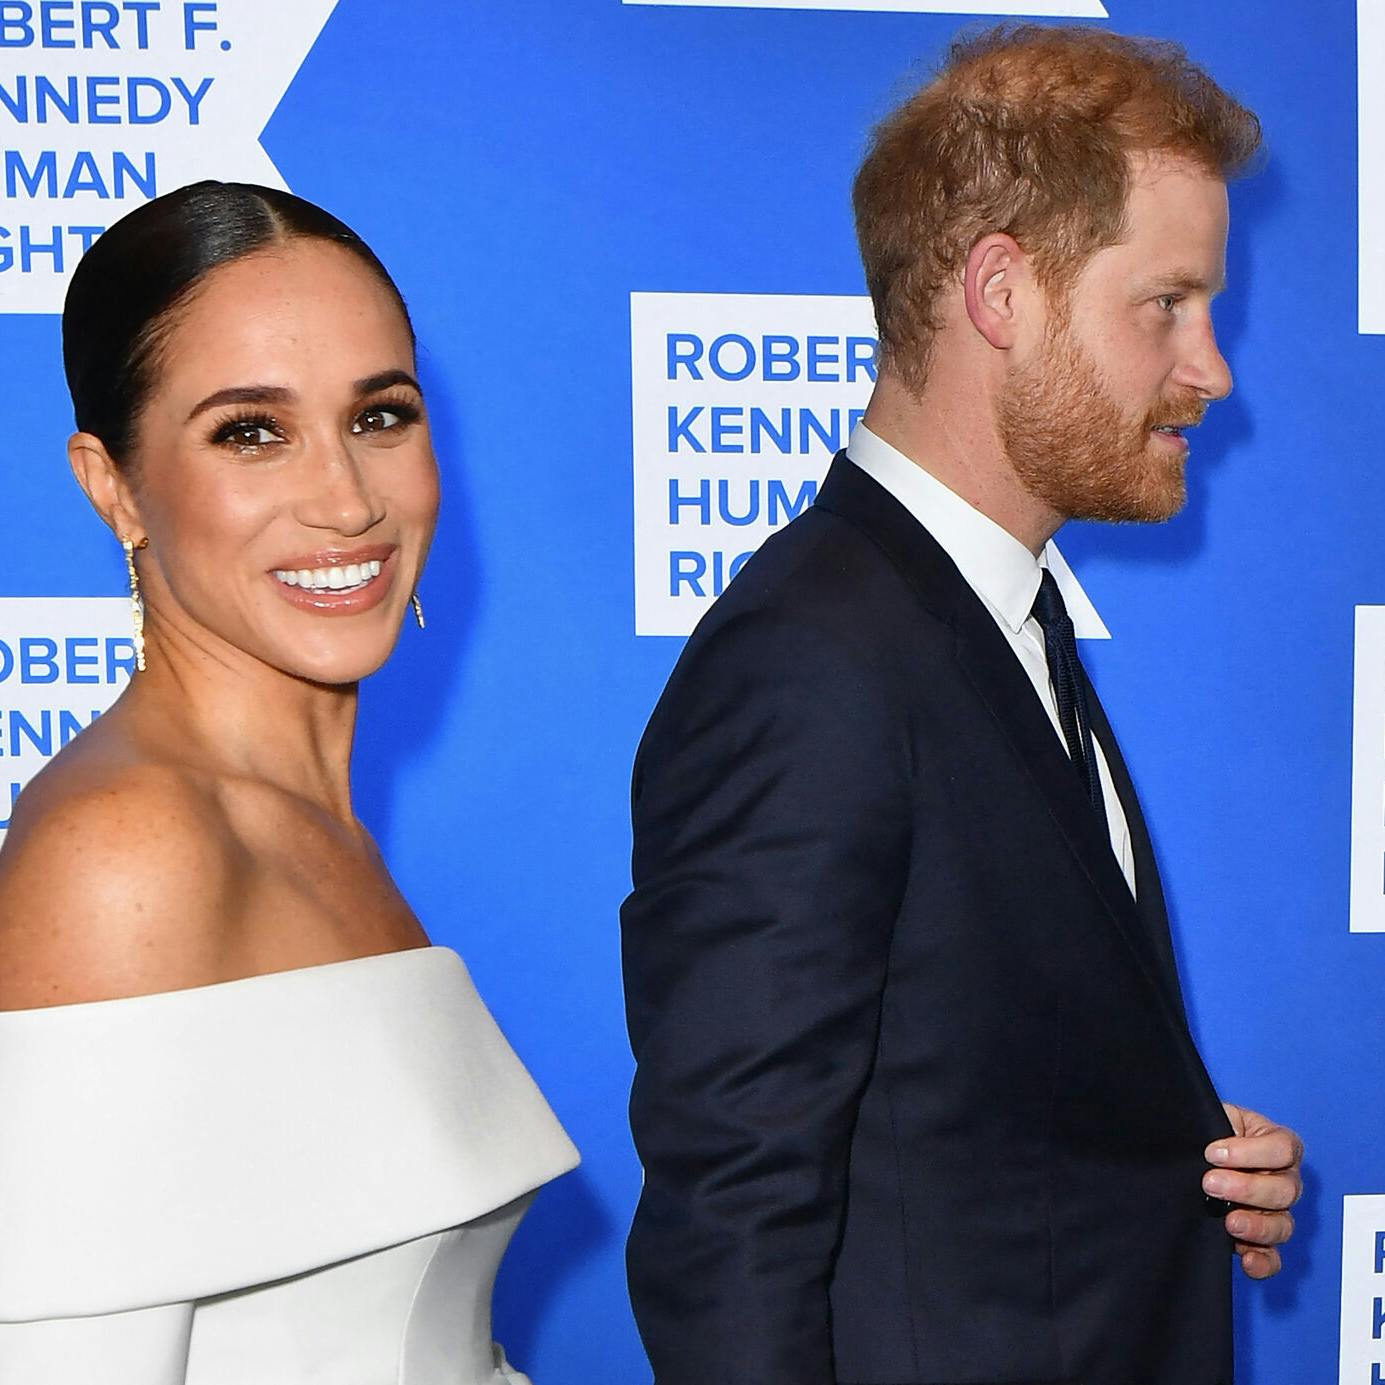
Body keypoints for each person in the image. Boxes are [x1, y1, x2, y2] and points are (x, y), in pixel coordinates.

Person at [621, 25, 1302, 1385]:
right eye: (1164, 304)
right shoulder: (810, 658)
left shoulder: (988, 618)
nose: (1210, 367)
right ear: (1003, 293)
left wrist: (1171, 1149)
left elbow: (946, 1090)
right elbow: (734, 1229)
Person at [0, 182, 578, 1383]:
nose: (347, 498)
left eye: (380, 415)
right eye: (249, 430)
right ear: (111, 485)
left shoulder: (317, 833)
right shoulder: (126, 852)